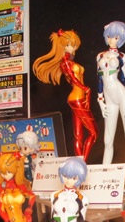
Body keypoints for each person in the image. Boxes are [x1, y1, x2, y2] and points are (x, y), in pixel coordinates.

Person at [33, 29, 98, 160]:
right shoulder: (65, 62)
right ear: (63, 46)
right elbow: (73, 79)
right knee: (93, 132)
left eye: (74, 45)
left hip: (77, 98)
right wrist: (85, 88)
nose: (72, 48)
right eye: (69, 45)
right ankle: (82, 162)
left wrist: (84, 89)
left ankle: (80, 162)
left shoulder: (68, 61)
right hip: (78, 98)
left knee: (78, 135)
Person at [97, 21, 125, 191]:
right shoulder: (100, 56)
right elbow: (100, 79)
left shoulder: (123, 58)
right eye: (109, 36)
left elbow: (123, 78)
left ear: (121, 38)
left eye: (115, 37)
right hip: (108, 98)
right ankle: (103, 179)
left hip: (122, 95)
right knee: (107, 140)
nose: (111, 40)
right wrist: (100, 99)